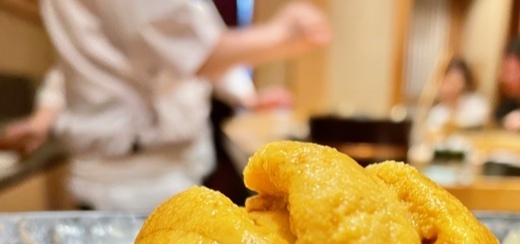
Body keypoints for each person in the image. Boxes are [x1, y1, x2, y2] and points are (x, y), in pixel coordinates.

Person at [0, 0, 331, 211]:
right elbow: (195, 51)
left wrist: (247, 98)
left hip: (159, 173)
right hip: (136, 189)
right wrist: (284, 33)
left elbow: (106, 52)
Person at [425, 58, 489, 132]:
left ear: (465, 83)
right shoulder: (436, 114)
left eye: (455, 81)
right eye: (446, 81)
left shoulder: (478, 105)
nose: (449, 87)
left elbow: (483, 131)